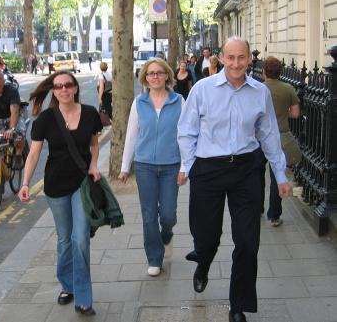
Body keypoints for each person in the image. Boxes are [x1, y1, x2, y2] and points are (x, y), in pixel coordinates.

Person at [177, 37, 291, 322]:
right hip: (208, 169)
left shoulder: (259, 92)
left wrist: (279, 174)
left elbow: (268, 134)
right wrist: (188, 167)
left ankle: (238, 305)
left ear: (249, 59)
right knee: (206, 236)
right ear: (222, 58)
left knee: (248, 241)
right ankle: (203, 261)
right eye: (231, 58)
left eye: (242, 58)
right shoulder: (203, 90)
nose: (237, 63)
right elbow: (187, 131)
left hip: (246, 169)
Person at [18, 71, 102, 316]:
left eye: (67, 85)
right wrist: (25, 183)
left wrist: (94, 164)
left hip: (82, 184)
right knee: (65, 239)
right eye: (58, 86)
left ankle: (84, 298)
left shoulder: (89, 114)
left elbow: (94, 144)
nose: (63, 90)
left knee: (80, 239)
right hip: (55, 186)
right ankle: (68, 284)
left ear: (75, 88)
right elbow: (33, 154)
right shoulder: (45, 119)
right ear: (53, 91)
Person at [119, 57, 185, 277]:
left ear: (167, 75)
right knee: (148, 215)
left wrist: (185, 166)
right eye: (150, 74)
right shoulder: (139, 103)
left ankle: (167, 235)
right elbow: (131, 136)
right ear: (145, 78)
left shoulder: (179, 102)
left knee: (168, 214)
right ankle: (154, 258)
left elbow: (185, 137)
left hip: (171, 165)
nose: (155, 77)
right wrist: (124, 167)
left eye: (159, 72)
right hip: (145, 165)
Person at [260, 56, 300, 227]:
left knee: (256, 175)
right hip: (280, 137)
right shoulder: (288, 88)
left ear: (263, 71)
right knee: (278, 175)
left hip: (258, 137)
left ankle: (257, 208)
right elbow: (296, 114)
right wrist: (283, 114)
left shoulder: (258, 89)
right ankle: (274, 216)